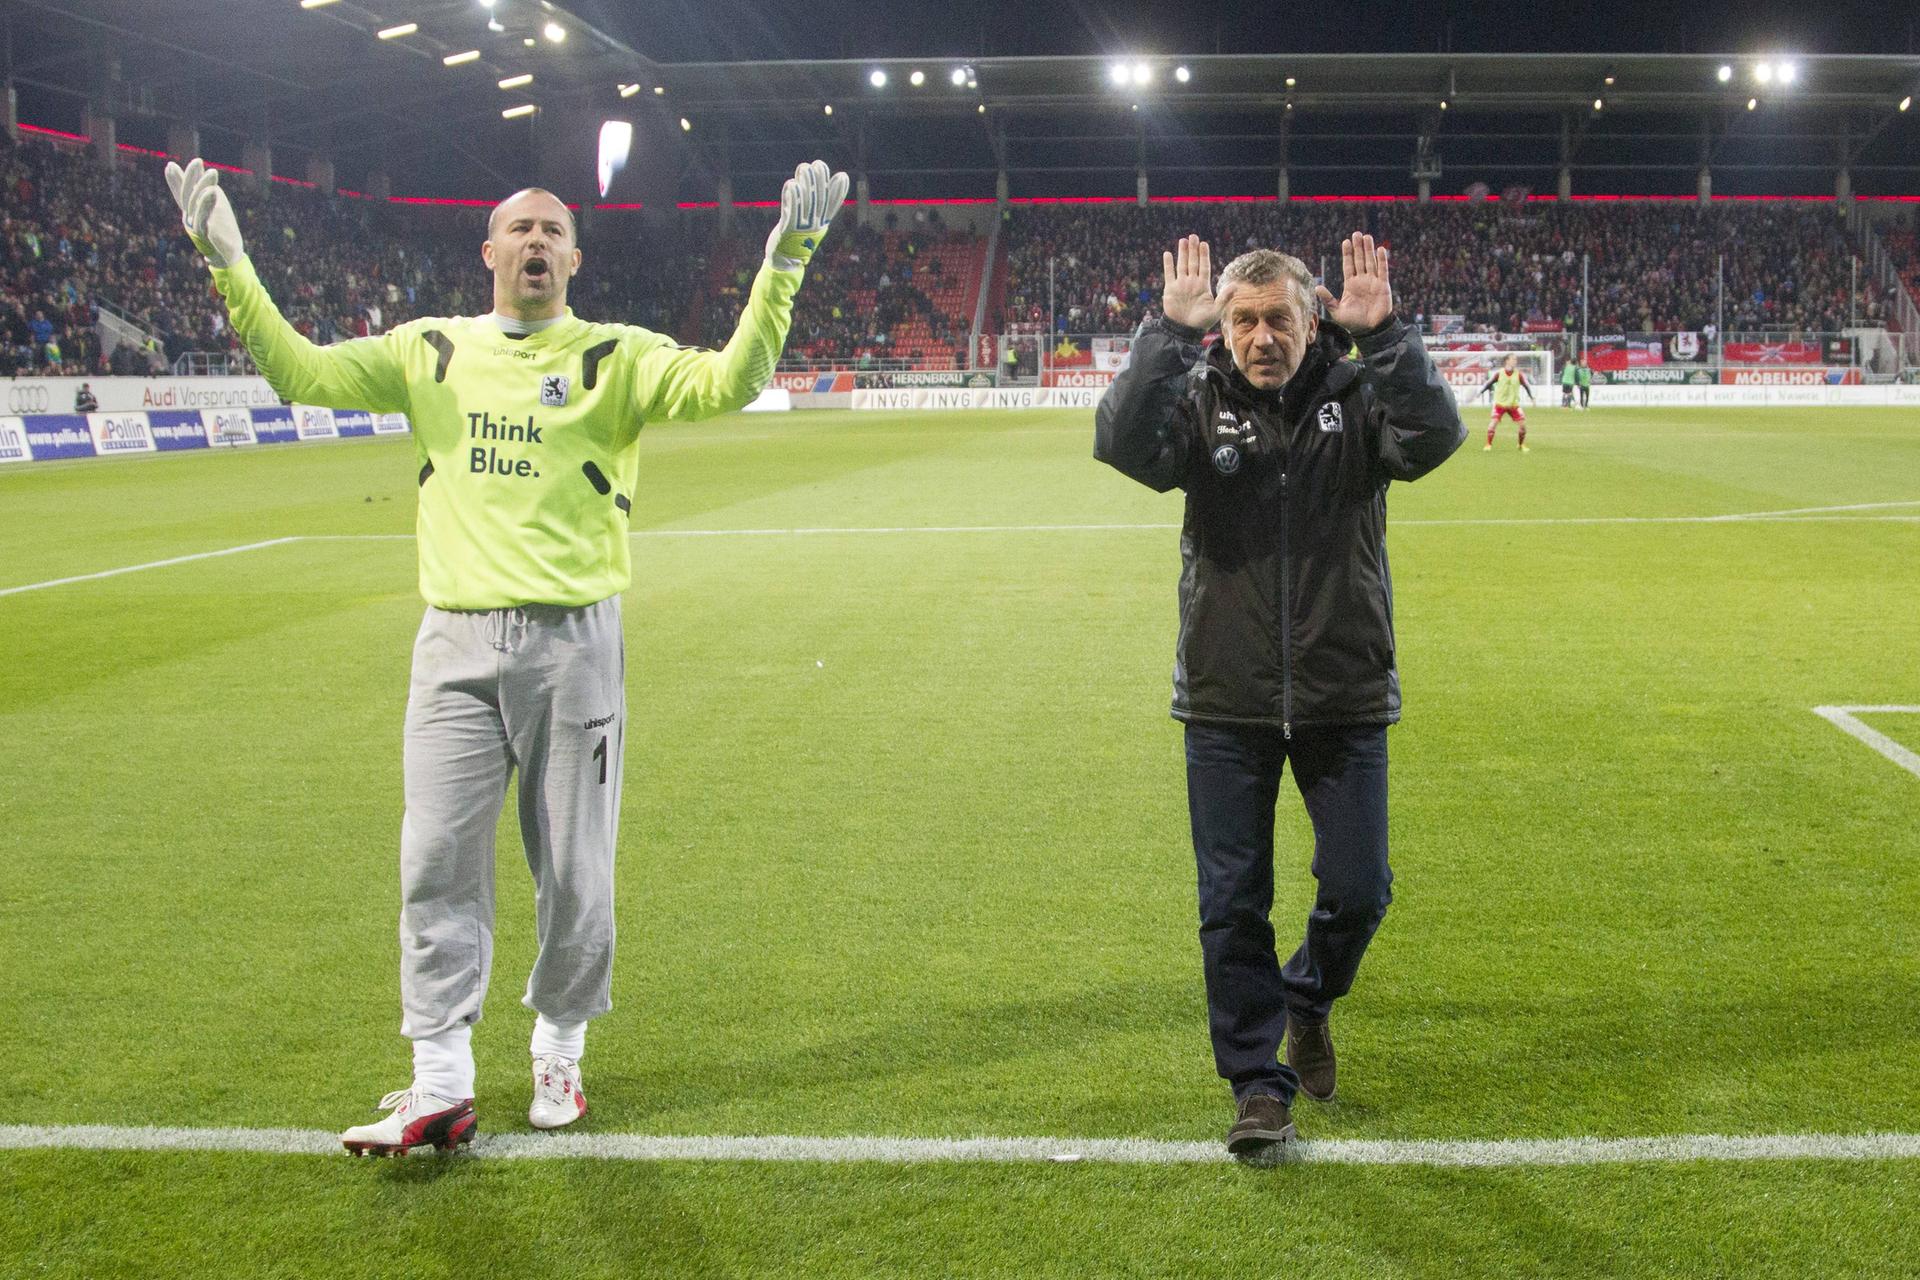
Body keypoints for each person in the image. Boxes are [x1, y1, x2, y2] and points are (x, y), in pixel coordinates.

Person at [163, 155, 850, 1157]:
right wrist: (230, 263)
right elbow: (301, 372)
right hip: (452, 644)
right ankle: (439, 1077)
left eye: (552, 230)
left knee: (574, 870)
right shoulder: (427, 350)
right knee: (435, 856)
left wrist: (784, 259)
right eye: (518, 228)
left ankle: (559, 1043)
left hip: (572, 644)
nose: (536, 241)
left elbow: (730, 379)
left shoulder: (616, 356)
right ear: (488, 251)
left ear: (574, 256)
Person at [1094, 233, 1464, 1160]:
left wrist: (1387, 340)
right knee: (1231, 903)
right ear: (1224, 328)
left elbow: (1435, 440)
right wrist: (1168, 338)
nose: (1262, 337)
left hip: (1343, 688)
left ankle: (1308, 994)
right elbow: (1119, 442)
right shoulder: (1197, 399)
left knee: (1360, 887)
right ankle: (1259, 1086)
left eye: (1279, 319)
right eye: (1244, 320)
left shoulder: (1360, 396)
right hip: (1227, 695)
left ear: (1313, 322)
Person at [1475, 353, 1535, 451]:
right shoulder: (1499, 373)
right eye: (1513, 359)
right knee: (1493, 424)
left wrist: (1532, 397)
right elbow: (1488, 384)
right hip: (1500, 404)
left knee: (1523, 426)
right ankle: (1488, 444)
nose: (1515, 361)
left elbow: (1526, 386)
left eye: (1516, 360)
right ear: (1507, 361)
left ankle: (1521, 445)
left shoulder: (1519, 374)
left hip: (1513, 405)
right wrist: (1480, 393)